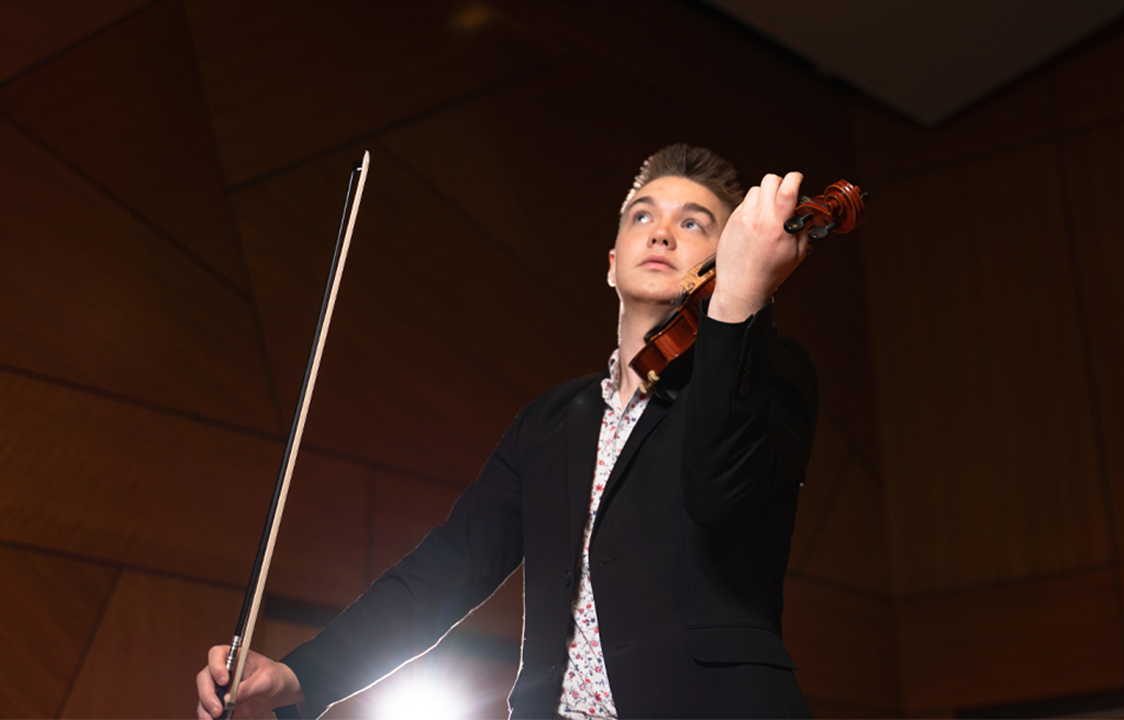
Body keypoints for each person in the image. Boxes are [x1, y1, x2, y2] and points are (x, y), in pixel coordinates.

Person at [197, 144, 819, 719]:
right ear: (610, 263)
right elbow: (449, 568)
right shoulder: (549, 422)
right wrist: (301, 677)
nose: (661, 231)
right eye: (642, 216)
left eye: (694, 224)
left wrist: (739, 299)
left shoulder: (771, 373)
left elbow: (719, 492)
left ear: (725, 258)